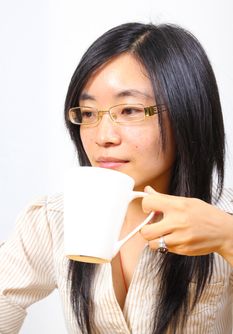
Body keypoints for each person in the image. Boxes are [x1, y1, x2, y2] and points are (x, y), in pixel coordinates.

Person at [0, 22, 233, 334]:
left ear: (186, 112)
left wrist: (227, 237)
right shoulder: (51, 220)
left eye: (130, 110)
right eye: (88, 113)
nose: (103, 136)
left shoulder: (224, 217)